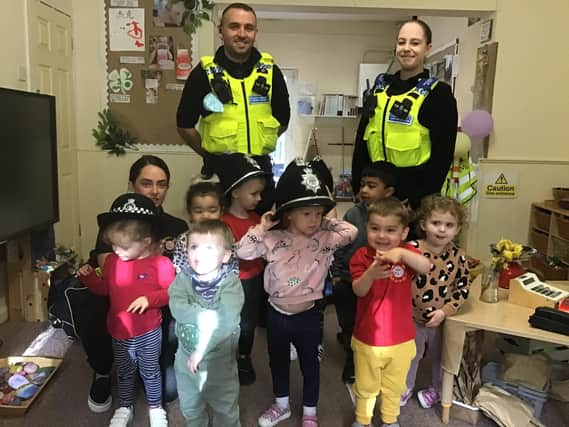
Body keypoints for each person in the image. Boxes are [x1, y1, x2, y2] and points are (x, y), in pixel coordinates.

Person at [237, 159, 357, 427]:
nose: (314, 220)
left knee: (310, 365)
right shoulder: (272, 239)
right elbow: (243, 251)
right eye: (307, 213)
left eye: (318, 213)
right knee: (277, 361)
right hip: (277, 314)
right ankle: (281, 405)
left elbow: (352, 232)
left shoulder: (326, 237)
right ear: (289, 213)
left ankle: (310, 412)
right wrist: (262, 227)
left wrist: (327, 222)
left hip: (309, 315)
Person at [81, 155, 188, 412]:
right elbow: (112, 273)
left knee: (169, 391)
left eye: (161, 184)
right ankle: (103, 370)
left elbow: (183, 271)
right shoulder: (115, 222)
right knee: (93, 306)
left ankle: (167, 363)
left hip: (160, 294)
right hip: (121, 293)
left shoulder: (176, 225)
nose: (154, 190)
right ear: (131, 185)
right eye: (146, 183)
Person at [176, 2, 290, 214]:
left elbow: (282, 121)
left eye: (248, 28)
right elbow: (184, 125)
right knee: (218, 241)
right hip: (220, 176)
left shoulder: (271, 72)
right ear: (221, 30)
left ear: (256, 32)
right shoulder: (204, 73)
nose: (242, 34)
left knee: (261, 239)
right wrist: (209, 155)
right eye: (234, 26)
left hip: (260, 177)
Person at [351, 18, 458, 211]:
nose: (406, 48)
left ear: (428, 48)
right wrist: (357, 185)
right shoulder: (380, 89)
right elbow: (362, 139)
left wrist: (417, 199)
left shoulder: (438, 94)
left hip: (412, 201)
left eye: (415, 43)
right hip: (375, 197)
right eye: (402, 42)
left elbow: (442, 156)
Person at [350, 197, 430, 427]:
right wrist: (371, 274)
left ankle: (389, 420)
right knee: (366, 386)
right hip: (368, 339)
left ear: (404, 233)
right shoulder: (361, 257)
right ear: (367, 228)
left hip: (402, 339)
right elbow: (358, 290)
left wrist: (403, 255)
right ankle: (362, 420)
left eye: (390, 230)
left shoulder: (406, 253)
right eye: (375, 228)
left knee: (394, 386)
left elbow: (426, 267)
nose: (382, 236)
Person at [169, 220, 244, 427]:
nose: (198, 254)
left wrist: (202, 349)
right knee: (190, 406)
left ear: (226, 255)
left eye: (209, 248)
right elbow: (177, 306)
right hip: (185, 360)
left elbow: (226, 323)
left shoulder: (230, 284)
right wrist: (208, 316)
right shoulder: (183, 279)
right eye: (194, 247)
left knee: (226, 408)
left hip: (219, 364)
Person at [330, 161, 398, 384]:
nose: (365, 191)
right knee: (348, 319)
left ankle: (372, 356)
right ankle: (352, 358)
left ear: (388, 192)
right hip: (349, 279)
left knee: (371, 322)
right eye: (363, 185)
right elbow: (340, 246)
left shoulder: (396, 215)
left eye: (372, 186)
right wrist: (338, 274)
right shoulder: (352, 214)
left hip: (377, 282)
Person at [401, 195, 471, 409]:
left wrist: (445, 312)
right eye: (436, 223)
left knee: (442, 357)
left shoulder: (458, 256)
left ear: (457, 229)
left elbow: (463, 288)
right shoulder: (411, 249)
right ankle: (404, 388)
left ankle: (438, 390)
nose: (442, 230)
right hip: (410, 316)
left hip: (442, 319)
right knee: (410, 356)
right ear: (424, 224)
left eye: (449, 225)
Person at [217, 153, 267, 385]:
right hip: (232, 282)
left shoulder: (257, 218)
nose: (259, 198)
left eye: (260, 193)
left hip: (255, 280)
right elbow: (233, 252)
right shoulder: (223, 223)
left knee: (248, 323)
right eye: (254, 193)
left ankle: (244, 356)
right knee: (229, 322)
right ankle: (226, 359)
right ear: (235, 192)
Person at [172, 175, 225, 275]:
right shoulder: (184, 240)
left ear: (221, 211)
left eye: (212, 210)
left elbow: (232, 267)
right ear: (190, 213)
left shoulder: (226, 237)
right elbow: (179, 268)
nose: (205, 215)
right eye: (198, 211)